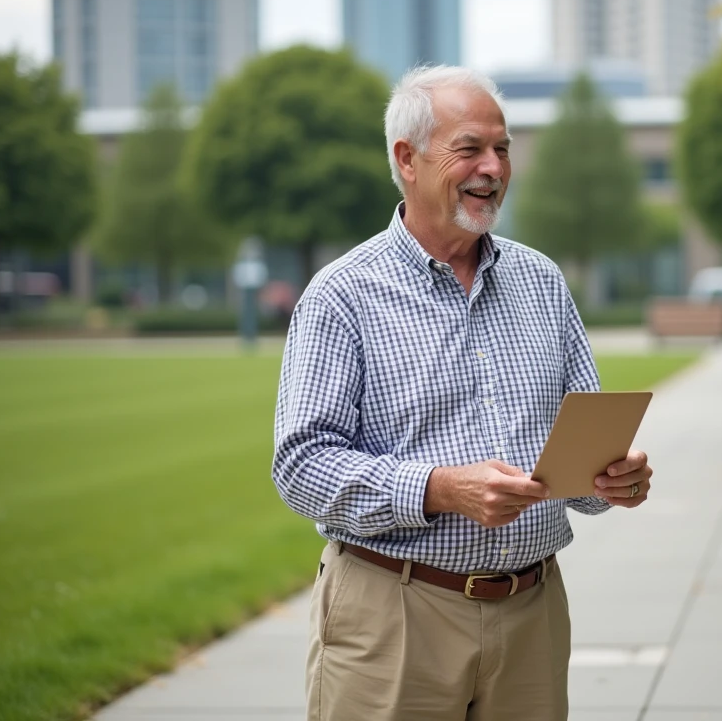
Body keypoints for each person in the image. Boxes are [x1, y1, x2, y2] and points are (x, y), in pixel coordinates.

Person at [272, 64, 653, 721]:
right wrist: (441, 489)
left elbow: (580, 453)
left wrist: (611, 480)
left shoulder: (541, 282)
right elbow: (301, 466)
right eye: (470, 148)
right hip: (395, 617)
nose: (494, 167)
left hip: (533, 616)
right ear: (407, 159)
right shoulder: (343, 296)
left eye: (502, 148)